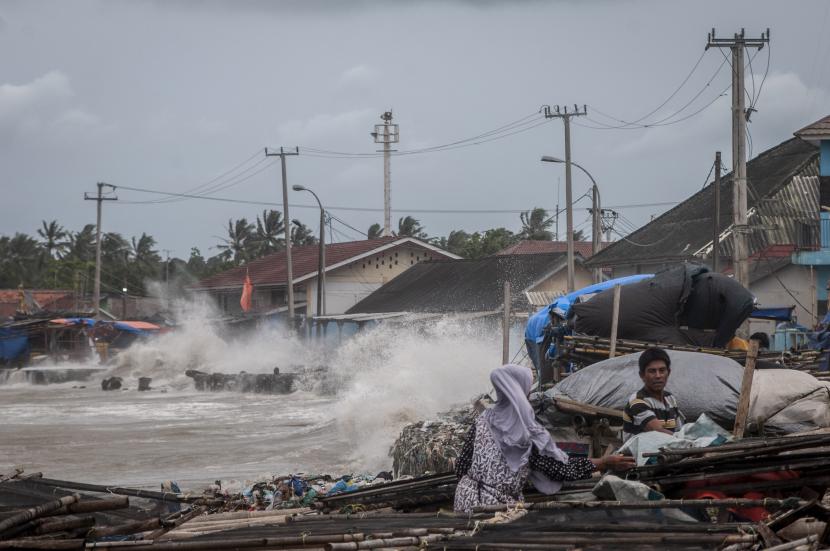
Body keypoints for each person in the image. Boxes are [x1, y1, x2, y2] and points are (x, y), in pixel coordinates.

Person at [453, 364, 635, 513]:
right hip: (495, 510)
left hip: (464, 501)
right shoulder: (526, 431)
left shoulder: (483, 419)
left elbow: (462, 467)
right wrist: (604, 461)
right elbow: (560, 469)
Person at [622, 348, 685, 441]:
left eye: (662, 370)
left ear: (669, 372)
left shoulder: (670, 398)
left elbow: (680, 430)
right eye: (652, 371)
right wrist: (689, 441)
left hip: (667, 451)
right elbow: (657, 432)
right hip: (639, 454)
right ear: (642, 375)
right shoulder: (637, 401)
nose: (658, 376)